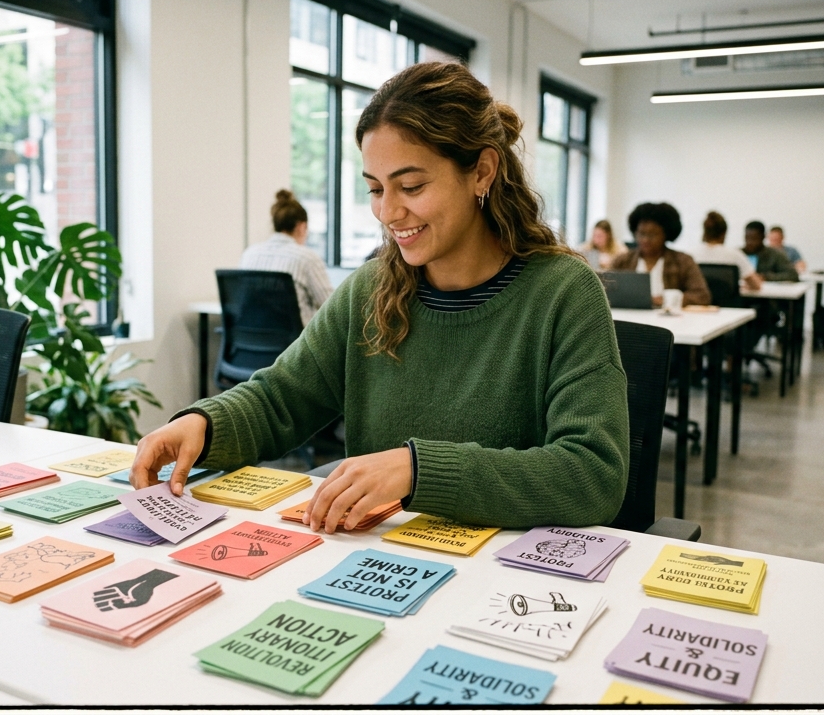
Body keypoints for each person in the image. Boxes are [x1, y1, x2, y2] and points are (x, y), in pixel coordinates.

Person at [132, 61, 629, 532]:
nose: (388, 213)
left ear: (481, 172)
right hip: (379, 562)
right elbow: (282, 396)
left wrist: (417, 470)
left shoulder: (563, 293)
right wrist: (203, 423)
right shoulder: (372, 289)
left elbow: (592, 474)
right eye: (374, 189)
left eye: (410, 186)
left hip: (502, 582)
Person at [239, 190, 334, 327]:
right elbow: (331, 307)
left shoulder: (249, 254)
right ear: (301, 227)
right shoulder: (306, 258)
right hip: (294, 345)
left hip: (251, 342)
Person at [609, 202, 711, 307]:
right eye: (641, 233)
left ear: (666, 235)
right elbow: (606, 293)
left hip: (670, 322)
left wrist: (668, 299)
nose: (645, 239)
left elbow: (702, 296)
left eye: (652, 235)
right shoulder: (622, 261)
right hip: (630, 320)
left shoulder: (683, 261)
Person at [693, 211, 763, 290]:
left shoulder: (692, 255)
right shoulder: (734, 255)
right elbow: (756, 285)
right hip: (727, 302)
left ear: (704, 231)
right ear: (724, 233)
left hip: (699, 302)